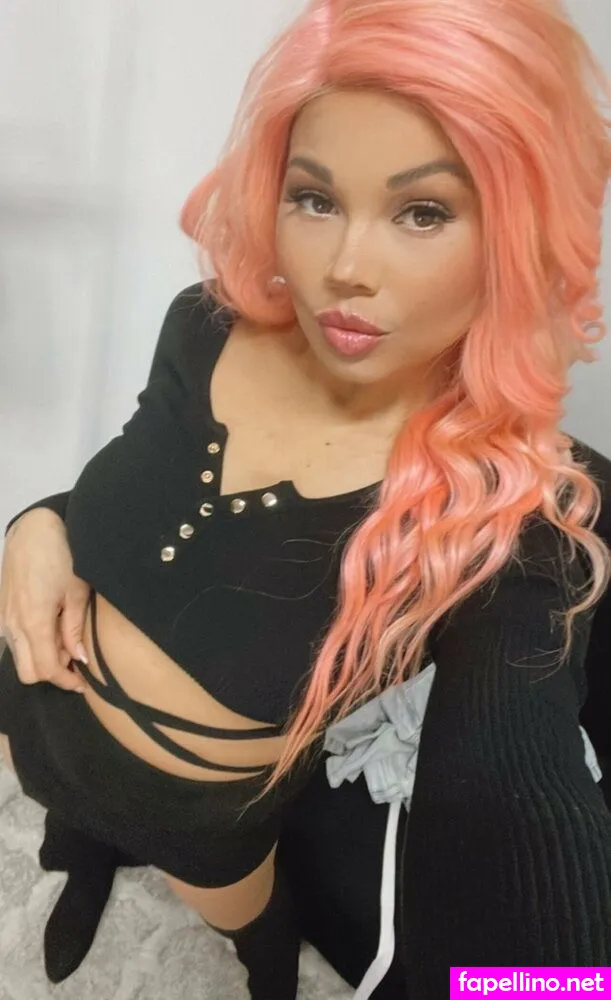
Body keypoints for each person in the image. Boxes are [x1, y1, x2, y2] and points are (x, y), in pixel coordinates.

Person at [1, 1, 611, 997]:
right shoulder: (203, 328)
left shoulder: (507, 513)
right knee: (70, 835)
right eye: (315, 198)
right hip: (37, 710)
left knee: (253, 936)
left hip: (201, 822)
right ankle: (82, 853)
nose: (343, 269)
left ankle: (262, 951)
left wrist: (547, 986)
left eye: (422, 211)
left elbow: (519, 802)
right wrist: (37, 523)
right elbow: (150, 500)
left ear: (519, 228)